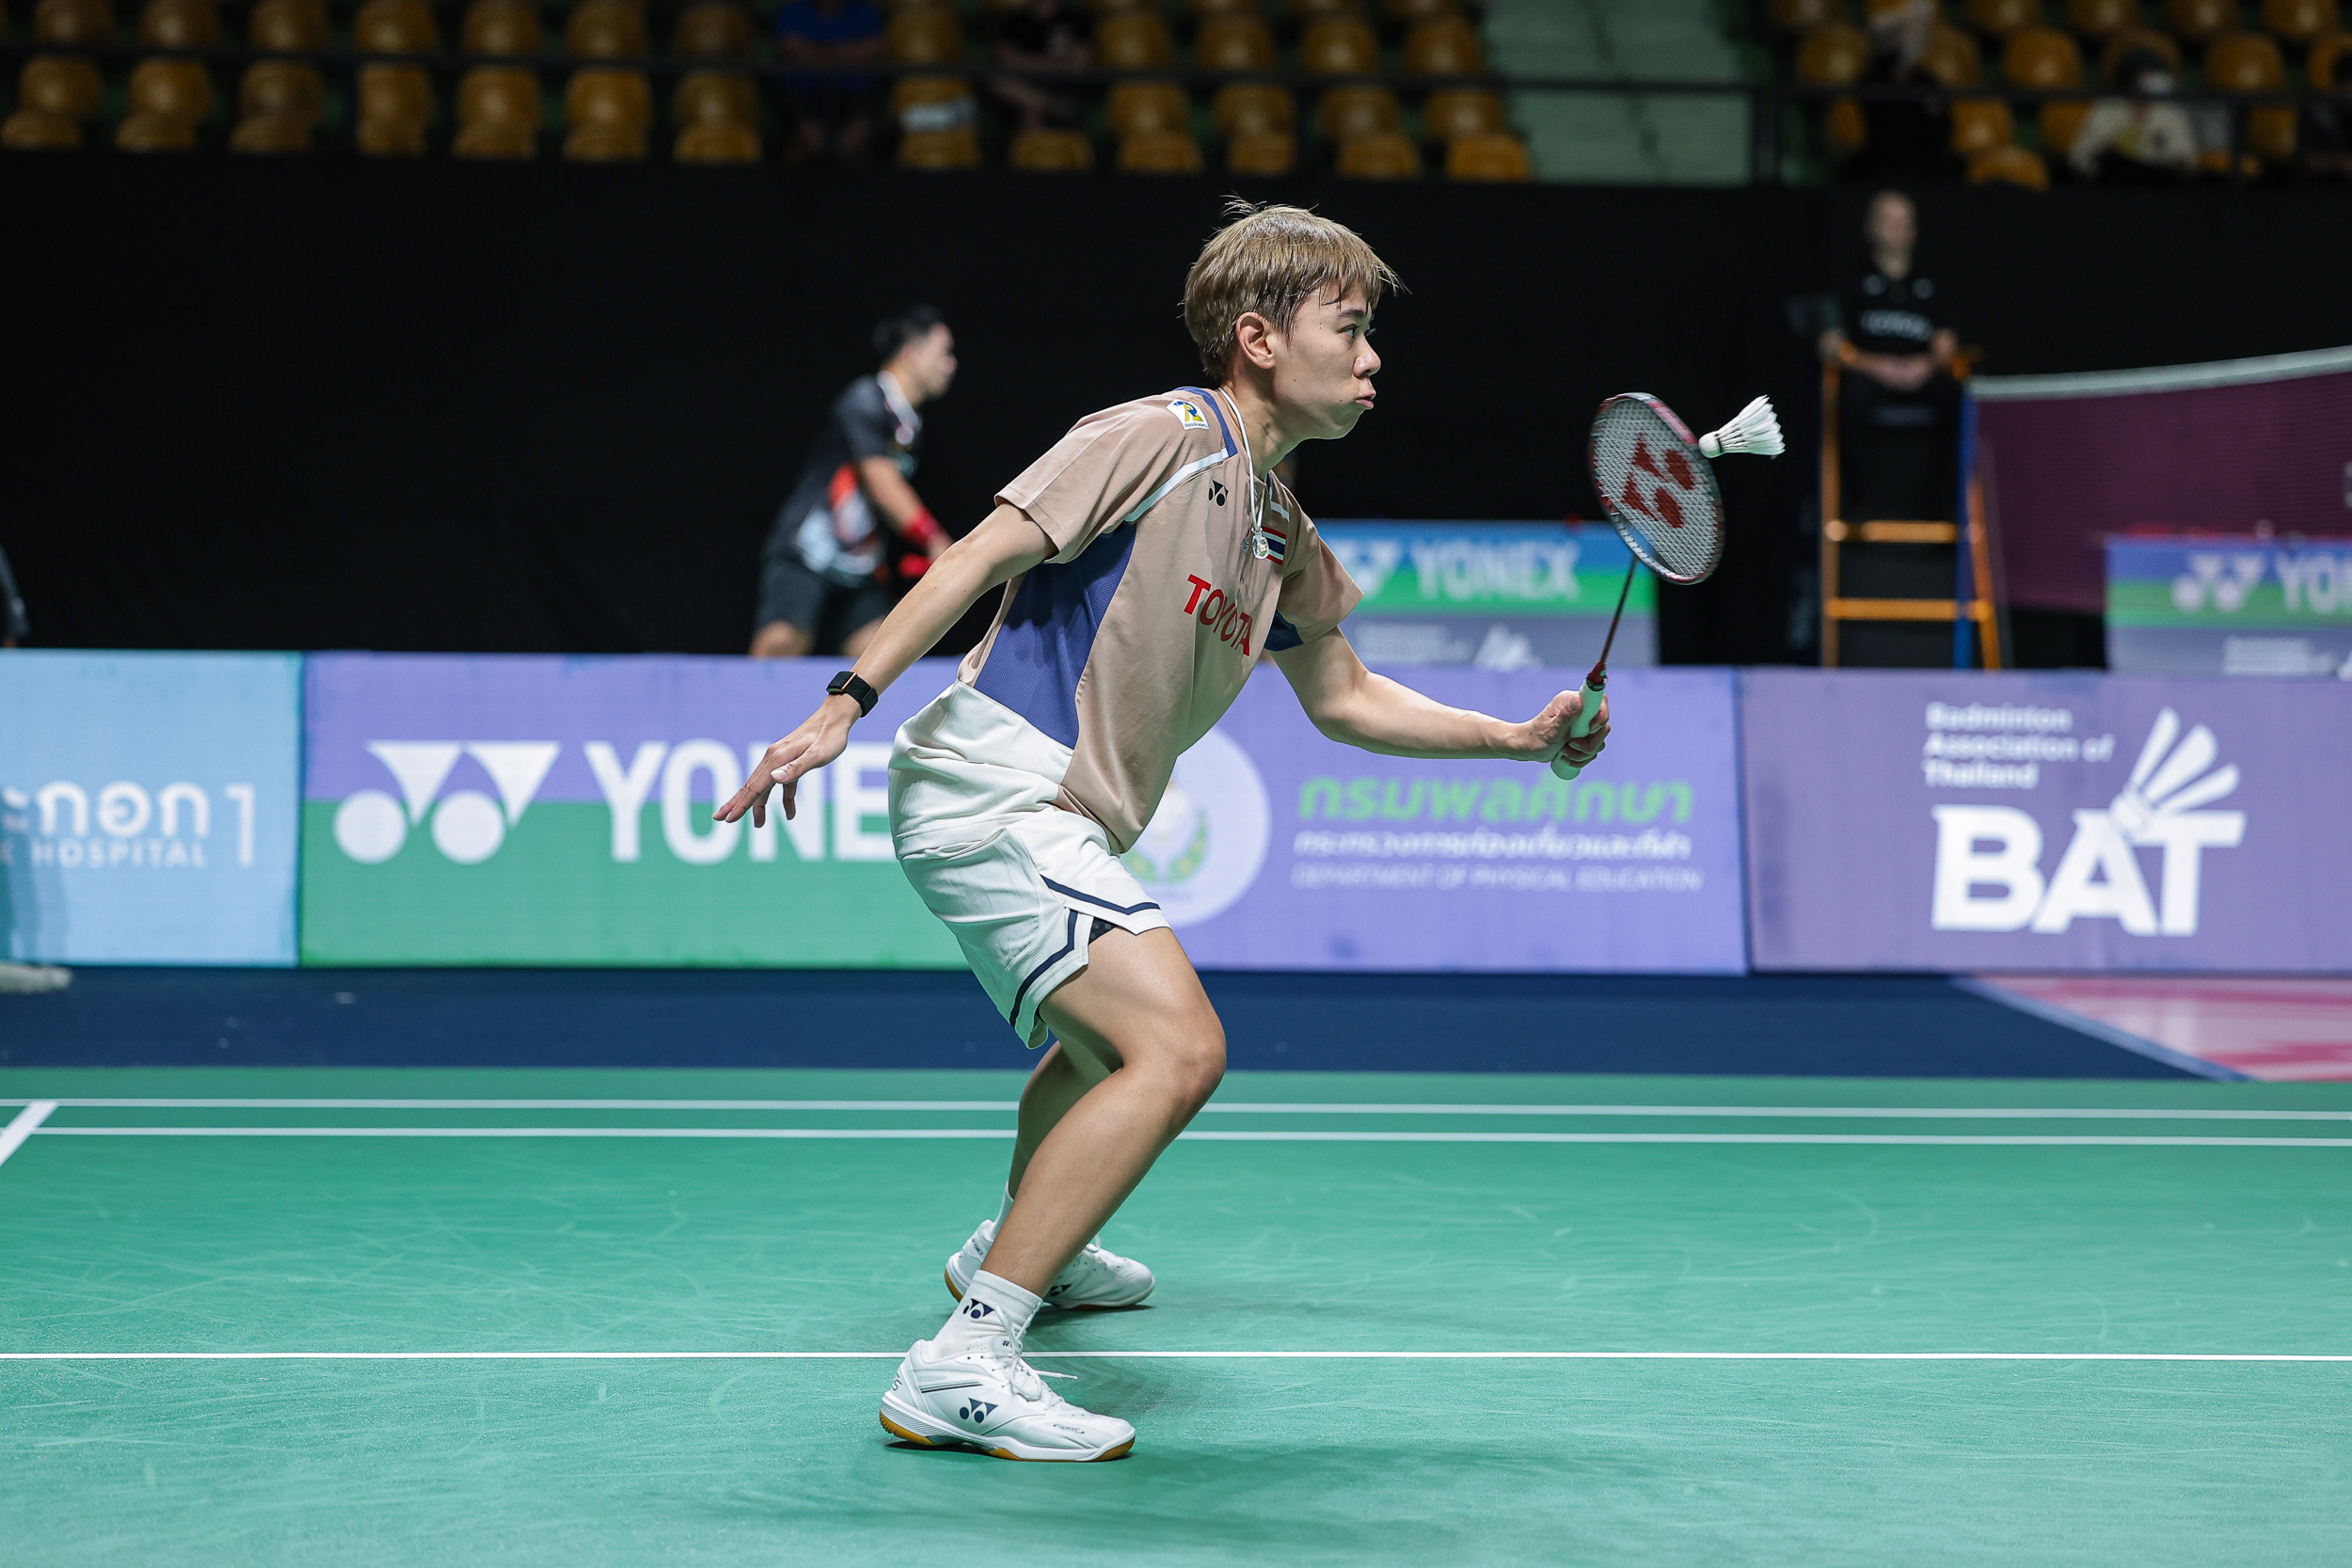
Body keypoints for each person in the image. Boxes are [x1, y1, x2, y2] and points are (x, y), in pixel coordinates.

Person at [715, 202, 1610, 1462]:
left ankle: (1026, 1237)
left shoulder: (1281, 526)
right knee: (1178, 1047)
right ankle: (966, 1356)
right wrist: (843, 701)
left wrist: (1513, 737)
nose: (1372, 360)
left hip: (1061, 809)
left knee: (1100, 1046)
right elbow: (974, 556)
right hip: (996, 785)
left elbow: (1346, 697)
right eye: (1349, 329)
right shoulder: (1158, 437)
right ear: (1258, 337)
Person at [751, 308, 958, 659]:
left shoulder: (908, 424)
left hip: (860, 568)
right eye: (944, 352)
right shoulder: (865, 399)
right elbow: (883, 486)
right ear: (911, 353)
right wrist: (933, 539)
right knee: (780, 646)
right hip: (807, 551)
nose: (951, 364)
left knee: (878, 657)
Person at [1819, 190, 1961, 525]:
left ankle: (1947, 509)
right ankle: (1863, 505)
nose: (1898, 229)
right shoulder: (1850, 279)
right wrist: (1879, 366)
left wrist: (1926, 365)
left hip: (1921, 374)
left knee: (1957, 396)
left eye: (1905, 222)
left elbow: (1947, 343)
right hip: (1870, 374)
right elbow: (1830, 345)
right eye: (1889, 221)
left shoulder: (1931, 280)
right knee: (1848, 395)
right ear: (1870, 228)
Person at [773, 0, 884, 164]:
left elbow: (875, 46)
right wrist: (846, 53)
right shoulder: (793, 11)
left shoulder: (863, 11)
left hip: (854, 90)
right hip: (803, 90)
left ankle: (845, 172)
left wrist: (818, 53)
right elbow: (790, 46)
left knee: (855, 137)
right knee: (811, 140)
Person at [2070, 47, 2199, 184]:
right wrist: (2108, 150)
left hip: (2159, 185)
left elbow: (2188, 163)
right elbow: (2080, 160)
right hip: (2114, 184)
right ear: (2130, 79)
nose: (2153, 80)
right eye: (2146, 75)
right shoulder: (2107, 107)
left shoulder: (2169, 111)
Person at [988, 0, 1090, 134]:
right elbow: (1004, 59)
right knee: (1000, 82)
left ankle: (1041, 109)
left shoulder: (1076, 19)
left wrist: (1025, 61)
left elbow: (1078, 64)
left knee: (1031, 111)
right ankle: (1053, 106)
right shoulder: (1015, 20)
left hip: (1063, 87)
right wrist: (1057, 64)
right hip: (1024, 85)